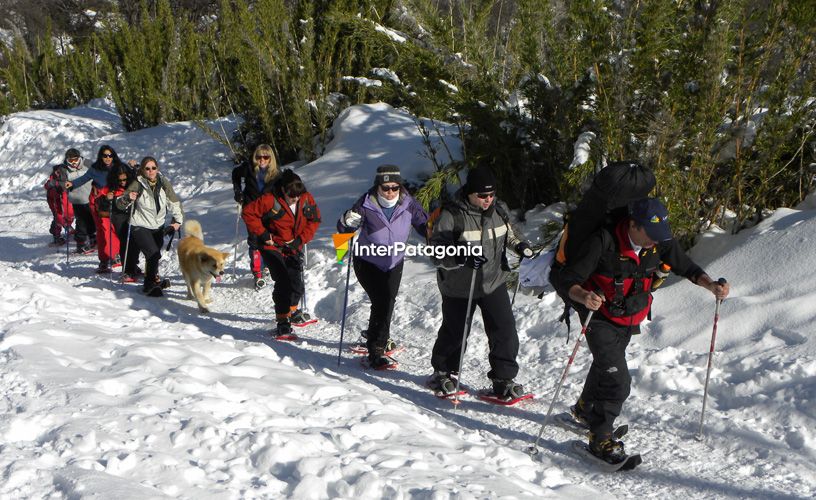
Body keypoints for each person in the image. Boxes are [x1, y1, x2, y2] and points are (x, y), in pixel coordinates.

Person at [557, 197, 730, 464]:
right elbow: (566, 278)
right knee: (618, 380)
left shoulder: (658, 241)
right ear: (633, 225)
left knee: (606, 363)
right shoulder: (603, 242)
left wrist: (710, 285)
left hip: (629, 316)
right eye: (650, 234)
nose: (655, 241)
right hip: (599, 316)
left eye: (659, 236)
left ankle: (585, 408)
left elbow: (686, 266)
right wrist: (582, 295)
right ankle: (600, 437)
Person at [428, 167, 534, 398]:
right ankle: (443, 372)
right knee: (456, 332)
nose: (488, 200)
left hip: (492, 281)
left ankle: (503, 379)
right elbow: (436, 251)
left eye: (491, 195)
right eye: (482, 196)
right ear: (469, 193)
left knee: (504, 330)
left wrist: (521, 246)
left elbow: (510, 234)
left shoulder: (499, 210)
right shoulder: (451, 215)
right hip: (459, 286)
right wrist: (461, 256)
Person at [337, 165, 429, 369]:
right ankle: (376, 350)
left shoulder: (408, 203)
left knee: (387, 301)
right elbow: (343, 229)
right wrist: (346, 223)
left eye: (395, 187)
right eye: (385, 187)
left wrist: (437, 237)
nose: (390, 192)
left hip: (394, 262)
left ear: (400, 187)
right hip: (367, 261)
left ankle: (379, 335)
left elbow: (424, 225)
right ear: (377, 186)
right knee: (382, 301)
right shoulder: (365, 204)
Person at [242, 169, 321, 339]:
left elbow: (314, 220)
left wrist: (301, 240)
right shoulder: (270, 199)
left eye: (298, 196)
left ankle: (291, 310)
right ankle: (283, 321)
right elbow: (248, 213)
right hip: (272, 246)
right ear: (283, 191)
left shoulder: (305, 198)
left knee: (296, 283)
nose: (295, 199)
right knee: (283, 282)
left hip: (293, 245)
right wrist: (263, 234)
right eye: (292, 196)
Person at [116, 157, 184, 296]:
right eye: (147, 168)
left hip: (157, 225)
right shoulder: (138, 183)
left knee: (153, 255)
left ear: (157, 169)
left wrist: (178, 221)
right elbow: (119, 203)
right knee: (153, 253)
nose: (151, 171)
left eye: (153, 168)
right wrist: (128, 198)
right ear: (143, 170)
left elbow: (174, 202)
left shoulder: (163, 182)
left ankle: (152, 279)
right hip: (139, 225)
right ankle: (149, 285)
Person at [68, 145, 127, 272]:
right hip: (98, 203)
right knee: (102, 230)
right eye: (105, 155)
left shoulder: (119, 167)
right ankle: (104, 259)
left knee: (111, 229)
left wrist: (134, 167)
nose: (107, 158)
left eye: (110, 155)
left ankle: (114, 255)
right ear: (101, 156)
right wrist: (72, 184)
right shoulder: (95, 168)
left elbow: (129, 177)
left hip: (114, 201)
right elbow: (84, 178)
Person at [232, 144, 280, 289]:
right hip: (251, 211)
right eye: (258, 157)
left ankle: (266, 265)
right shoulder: (248, 168)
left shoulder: (277, 174)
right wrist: (238, 191)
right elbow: (235, 174)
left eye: (266, 157)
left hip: (269, 212)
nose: (262, 160)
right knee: (254, 241)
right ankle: (257, 273)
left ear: (271, 158)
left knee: (267, 239)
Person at [97, 164, 141, 280]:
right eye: (119, 180)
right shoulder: (110, 187)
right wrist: (107, 198)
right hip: (118, 216)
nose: (122, 182)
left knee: (136, 240)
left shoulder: (133, 184)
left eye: (124, 179)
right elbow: (101, 204)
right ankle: (127, 270)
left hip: (134, 214)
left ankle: (133, 265)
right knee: (125, 240)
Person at [55, 148, 95, 253]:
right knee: (81, 222)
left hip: (91, 197)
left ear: (79, 158)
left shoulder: (87, 163)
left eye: (75, 159)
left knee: (93, 219)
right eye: (70, 160)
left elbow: (98, 174)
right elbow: (61, 183)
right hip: (77, 200)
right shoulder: (64, 169)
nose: (73, 162)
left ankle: (93, 239)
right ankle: (80, 244)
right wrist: (64, 185)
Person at [43, 148, 77, 246]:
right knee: (58, 216)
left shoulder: (73, 171)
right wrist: (53, 185)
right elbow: (48, 185)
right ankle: (56, 235)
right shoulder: (58, 171)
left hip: (67, 196)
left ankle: (67, 226)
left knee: (69, 214)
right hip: (55, 198)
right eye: (70, 160)